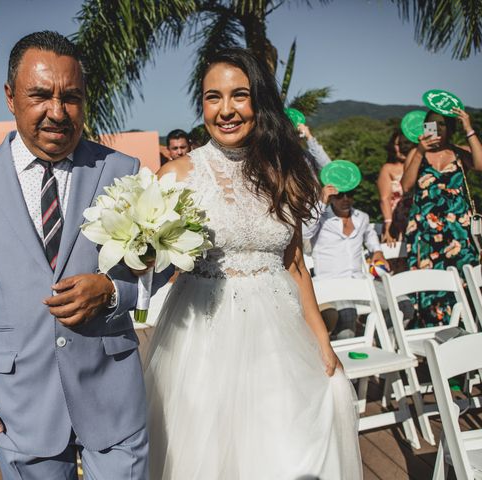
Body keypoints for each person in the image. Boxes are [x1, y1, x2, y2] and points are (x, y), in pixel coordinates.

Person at [0, 31, 173, 479]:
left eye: (72, 97)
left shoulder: (121, 171)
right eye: (40, 95)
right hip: (19, 404)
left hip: (112, 393)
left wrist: (111, 290)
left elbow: (161, 264)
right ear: (10, 97)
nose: (58, 112)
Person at [144, 48, 362, 479]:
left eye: (239, 96)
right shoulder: (176, 176)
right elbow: (150, 263)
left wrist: (321, 339)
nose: (226, 110)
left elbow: (295, 262)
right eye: (213, 97)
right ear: (201, 105)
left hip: (279, 336)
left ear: (258, 102)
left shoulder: (287, 171)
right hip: (201, 340)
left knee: (282, 448)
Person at [402, 108, 482, 326]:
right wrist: (419, 151)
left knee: (464, 283)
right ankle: (432, 337)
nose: (437, 128)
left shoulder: (459, 152)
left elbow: (480, 164)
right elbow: (406, 186)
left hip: (458, 232)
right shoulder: (417, 153)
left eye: (442, 124)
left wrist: (468, 127)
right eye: (432, 123)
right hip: (425, 233)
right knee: (428, 287)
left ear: (451, 128)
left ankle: (465, 331)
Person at [304, 186, 398, 339]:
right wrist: (321, 200)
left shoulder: (362, 217)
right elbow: (305, 230)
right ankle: (346, 358)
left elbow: (370, 234)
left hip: (360, 281)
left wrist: (377, 251)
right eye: (340, 195)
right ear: (332, 196)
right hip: (332, 283)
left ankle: (382, 343)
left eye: (350, 194)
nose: (346, 199)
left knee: (402, 305)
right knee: (347, 315)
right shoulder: (320, 218)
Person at [378, 130, 414, 246]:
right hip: (396, 222)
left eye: (405, 144)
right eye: (398, 145)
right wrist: (388, 225)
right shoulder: (388, 168)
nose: (402, 148)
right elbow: (385, 198)